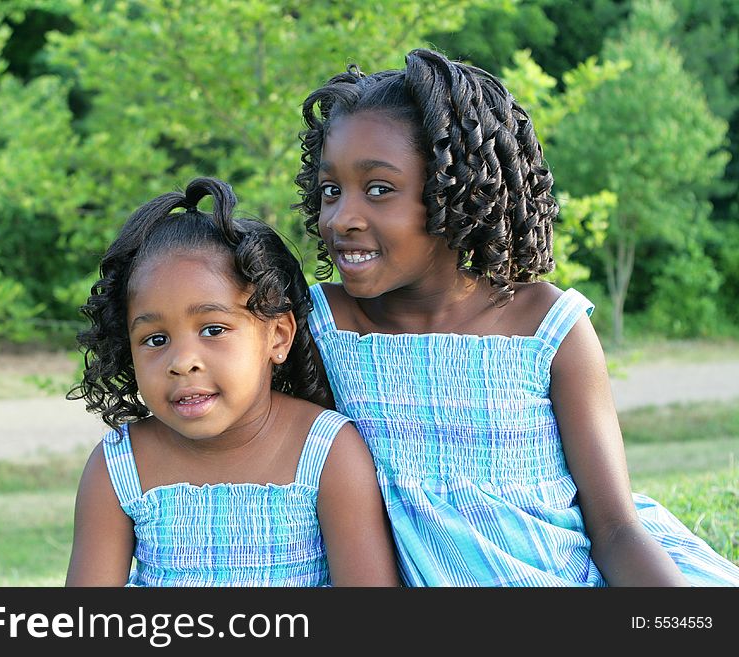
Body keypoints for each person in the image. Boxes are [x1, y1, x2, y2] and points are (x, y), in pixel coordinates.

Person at [293, 47, 739, 586]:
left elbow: (616, 527)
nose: (342, 217)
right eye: (330, 191)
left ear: (452, 191)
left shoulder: (548, 325)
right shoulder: (318, 325)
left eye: (379, 189)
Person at [65, 176, 400, 587]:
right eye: (155, 339)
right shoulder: (120, 466)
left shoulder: (325, 451)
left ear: (277, 336)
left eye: (213, 330)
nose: (182, 362)